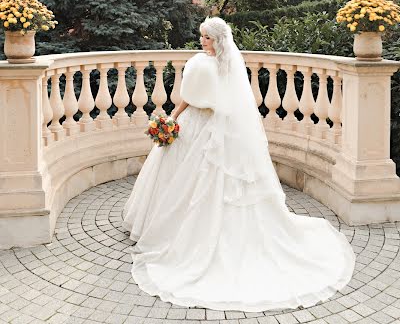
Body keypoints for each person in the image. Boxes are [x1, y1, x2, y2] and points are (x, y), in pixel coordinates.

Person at [122, 17, 355, 312]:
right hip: (221, 128)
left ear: (217, 40)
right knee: (202, 180)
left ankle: (176, 234)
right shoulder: (228, 65)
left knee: (190, 178)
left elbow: (187, 99)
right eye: (202, 36)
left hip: (199, 125)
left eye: (206, 37)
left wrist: (173, 116)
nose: (202, 41)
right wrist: (174, 117)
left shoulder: (201, 64)